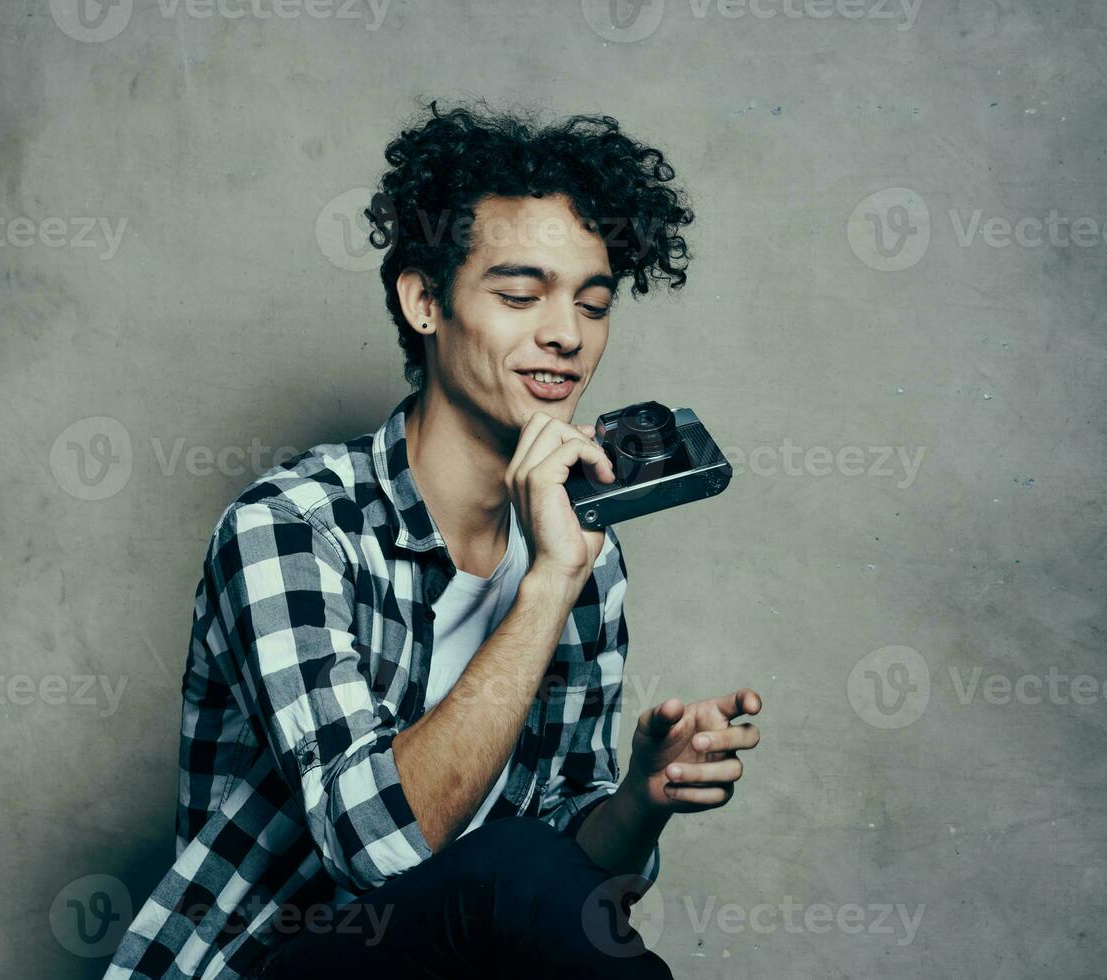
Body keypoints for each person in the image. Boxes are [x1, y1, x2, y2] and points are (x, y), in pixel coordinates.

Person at [104, 99, 763, 980]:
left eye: (594, 304)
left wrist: (639, 803)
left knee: (537, 870)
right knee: (517, 867)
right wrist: (544, 590)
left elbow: (570, 894)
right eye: (521, 295)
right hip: (262, 969)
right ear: (424, 300)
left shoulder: (579, 555)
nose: (566, 334)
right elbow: (374, 847)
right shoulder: (293, 528)